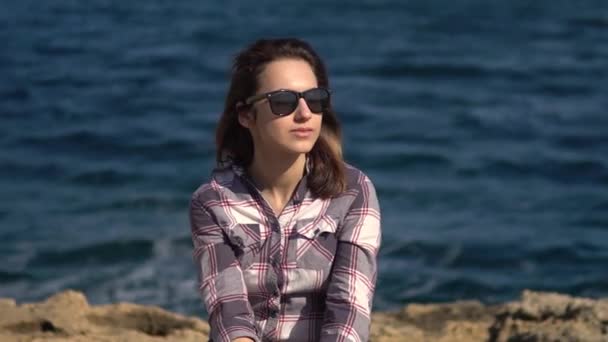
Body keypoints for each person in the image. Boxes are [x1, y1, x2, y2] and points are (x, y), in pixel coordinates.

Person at [189, 38, 381, 342]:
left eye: (315, 99)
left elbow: (349, 310)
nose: (304, 113)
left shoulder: (353, 191)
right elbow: (228, 312)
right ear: (246, 115)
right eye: (283, 102)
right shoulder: (212, 201)